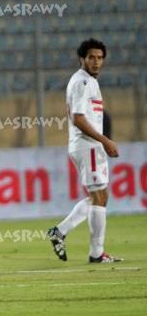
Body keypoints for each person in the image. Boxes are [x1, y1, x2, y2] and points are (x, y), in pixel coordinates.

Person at [47, 39, 122, 263]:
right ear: (82, 59)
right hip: (86, 144)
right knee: (99, 195)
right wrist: (105, 140)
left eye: (100, 58)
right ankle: (96, 253)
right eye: (92, 57)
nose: (96, 62)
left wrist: (102, 141)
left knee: (101, 196)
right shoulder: (81, 82)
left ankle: (61, 233)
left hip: (92, 145)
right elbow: (78, 118)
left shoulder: (89, 81)